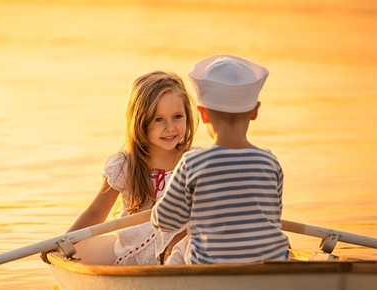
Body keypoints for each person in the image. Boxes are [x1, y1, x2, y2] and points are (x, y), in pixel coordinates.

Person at [43, 71, 196, 265]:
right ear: (140, 121)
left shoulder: (194, 161)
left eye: (177, 116)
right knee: (182, 237)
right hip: (140, 250)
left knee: (193, 230)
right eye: (159, 119)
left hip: (183, 250)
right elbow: (95, 213)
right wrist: (62, 242)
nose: (170, 127)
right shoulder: (126, 165)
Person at [151, 54, 290, 265]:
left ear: (203, 114)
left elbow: (165, 221)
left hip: (210, 272)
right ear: (254, 111)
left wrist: (158, 212)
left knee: (181, 249)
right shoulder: (269, 162)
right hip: (269, 269)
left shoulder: (192, 163)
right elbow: (272, 217)